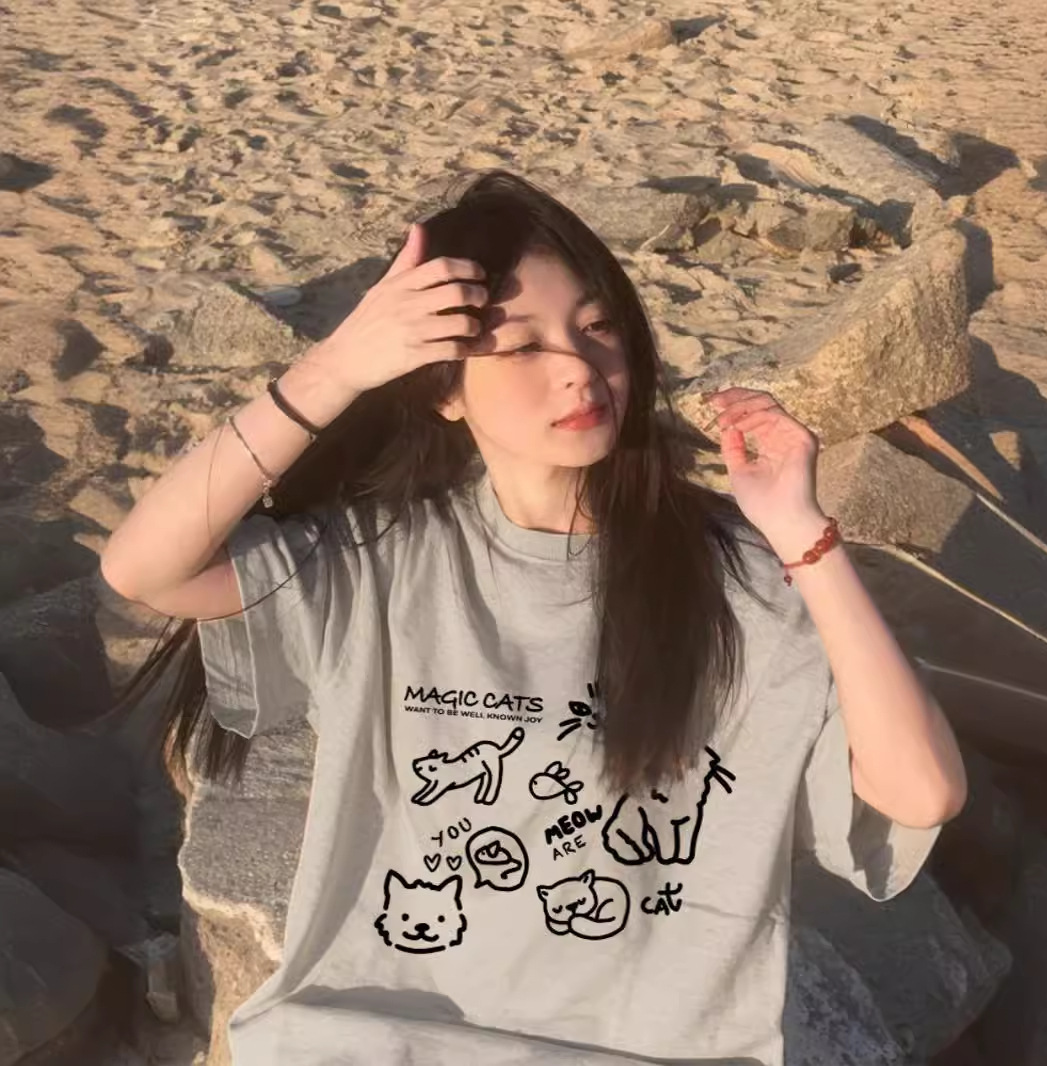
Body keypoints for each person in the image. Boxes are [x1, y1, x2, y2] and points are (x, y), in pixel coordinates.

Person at [101, 170, 967, 1065]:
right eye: (520, 346)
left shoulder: (737, 576)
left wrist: (805, 538)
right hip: (374, 1041)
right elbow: (145, 569)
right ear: (443, 389)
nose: (577, 368)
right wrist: (336, 369)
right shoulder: (383, 557)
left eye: (598, 328)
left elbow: (922, 793)